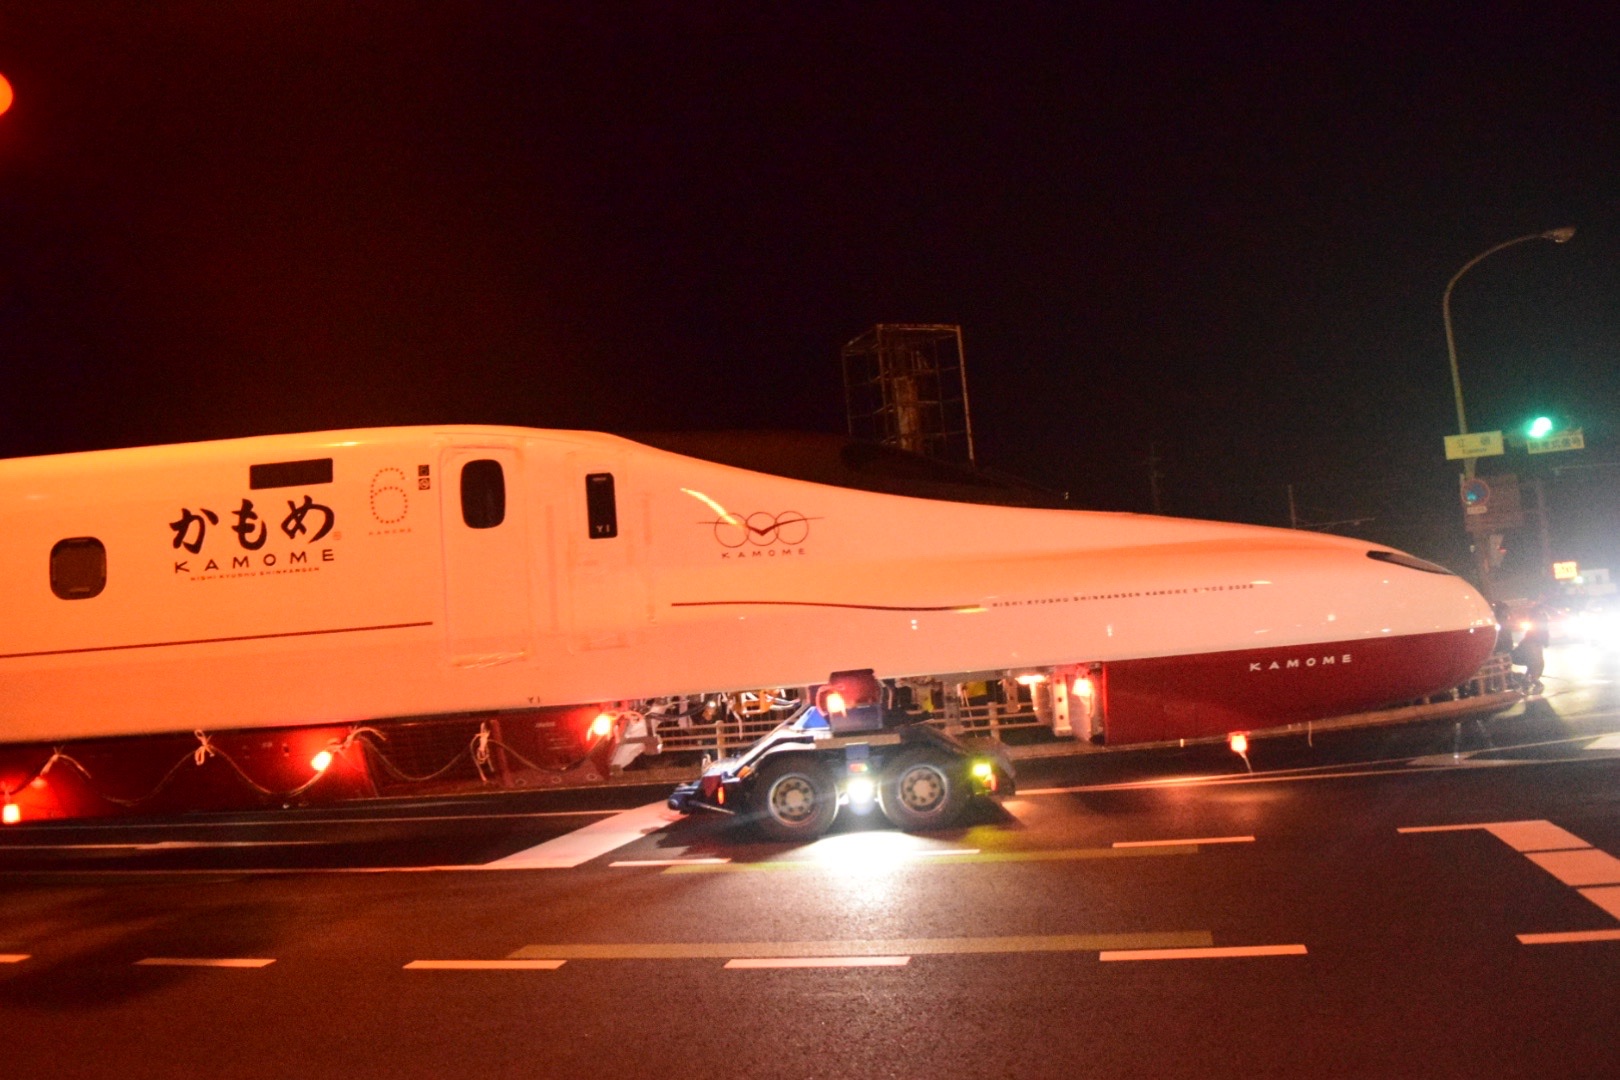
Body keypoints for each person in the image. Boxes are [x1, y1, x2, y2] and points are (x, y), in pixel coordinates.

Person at [1515, 600, 1551, 695]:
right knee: (1536, 662)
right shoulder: (1540, 618)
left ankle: (1528, 679)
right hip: (1535, 642)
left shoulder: (1536, 617)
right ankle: (1534, 680)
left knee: (1533, 662)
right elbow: (1543, 631)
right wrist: (1545, 641)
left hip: (1532, 642)